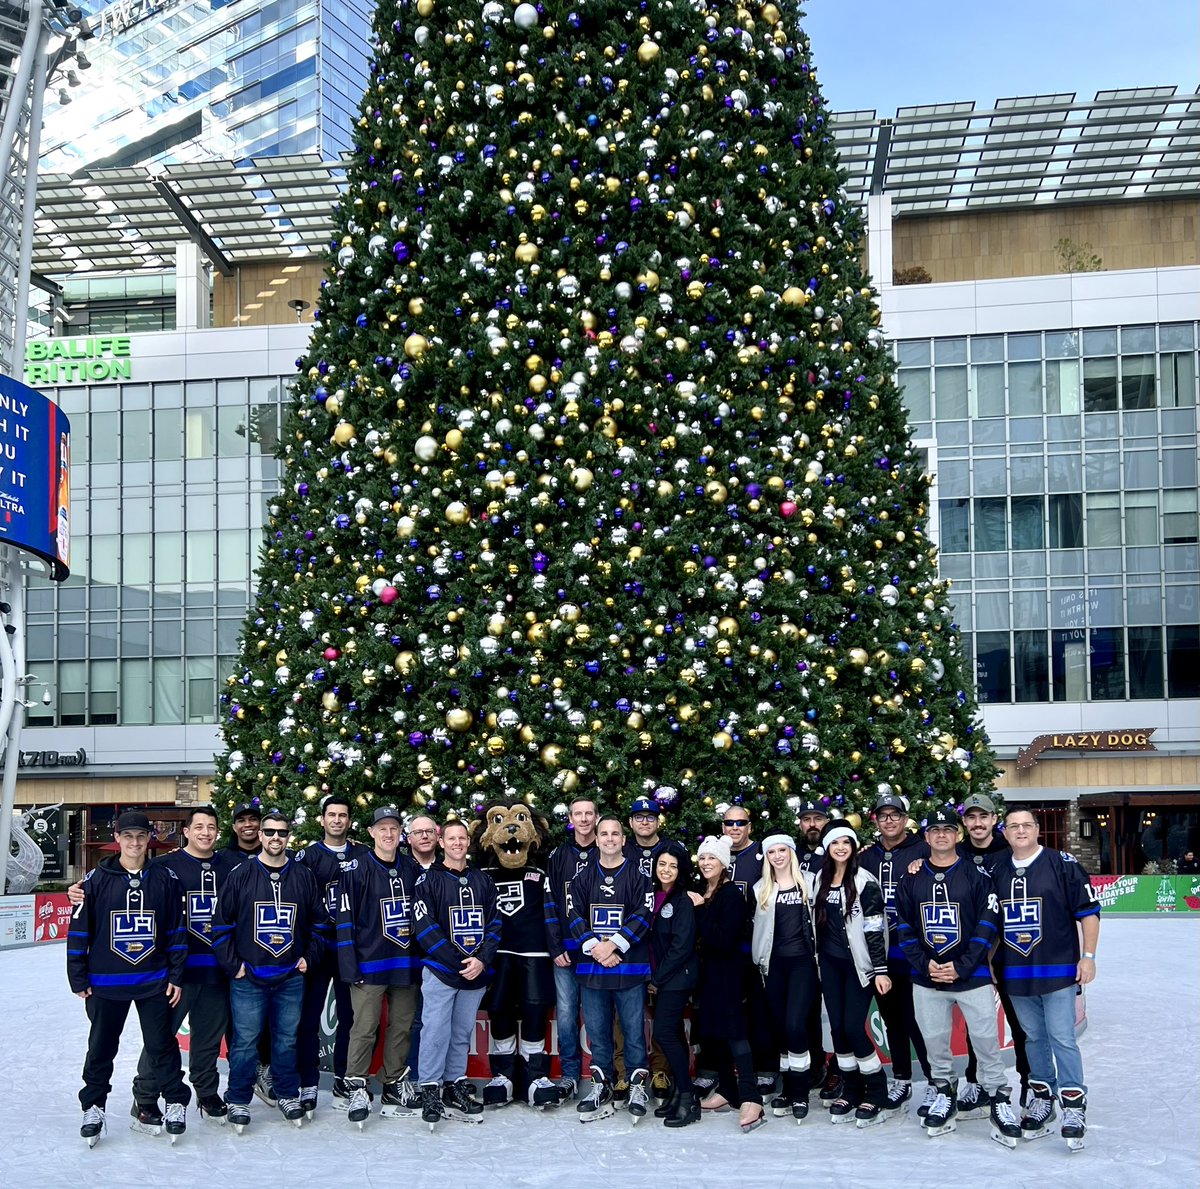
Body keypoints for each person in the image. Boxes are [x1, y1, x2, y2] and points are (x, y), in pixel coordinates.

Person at [67, 810, 191, 1146]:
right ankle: (93, 1106)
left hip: (153, 981)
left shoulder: (165, 879)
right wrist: (78, 979)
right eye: (128, 836)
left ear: (149, 839)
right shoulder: (94, 881)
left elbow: (176, 932)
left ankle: (176, 1101)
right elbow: (79, 931)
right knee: (101, 1047)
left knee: (161, 1045)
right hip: (106, 983)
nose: (134, 843)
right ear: (118, 839)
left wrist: (175, 976)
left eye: (140, 836)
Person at [894, 806, 1016, 1143]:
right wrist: (925, 964)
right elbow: (904, 925)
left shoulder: (978, 877)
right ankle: (944, 1092)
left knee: (986, 1042)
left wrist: (961, 965)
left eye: (948, 829)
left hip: (971, 977)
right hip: (927, 978)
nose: (942, 835)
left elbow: (988, 924)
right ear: (927, 836)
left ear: (958, 835)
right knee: (934, 1043)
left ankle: (998, 1098)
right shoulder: (911, 877)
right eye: (935, 830)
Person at [212, 808, 330, 1132]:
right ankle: (237, 1097)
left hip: (290, 976)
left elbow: (320, 924)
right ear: (260, 836)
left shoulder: (303, 876)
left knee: (286, 1040)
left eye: (282, 832)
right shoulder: (241, 874)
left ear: (288, 837)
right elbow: (220, 925)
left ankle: (288, 1093)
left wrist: (309, 957)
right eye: (270, 832)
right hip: (249, 977)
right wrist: (234, 966)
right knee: (245, 1041)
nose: (276, 838)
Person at [992, 806, 1101, 1150]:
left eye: (1026, 825)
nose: (1020, 831)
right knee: (1032, 1038)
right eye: (1013, 826)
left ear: (1037, 830)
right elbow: (990, 924)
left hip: (1057, 970)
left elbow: (1088, 914)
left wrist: (1089, 957)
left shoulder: (1063, 864)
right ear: (1005, 833)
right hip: (1016, 972)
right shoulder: (996, 870)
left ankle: (1073, 1104)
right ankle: (1042, 1096)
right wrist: (990, 963)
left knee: (1062, 1037)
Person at [132, 805, 240, 1125]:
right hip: (176, 973)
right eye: (199, 827)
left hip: (217, 972)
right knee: (161, 1038)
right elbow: (126, 883)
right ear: (187, 831)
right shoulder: (164, 866)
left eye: (211, 827)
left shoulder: (231, 866)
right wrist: (83, 890)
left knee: (207, 1039)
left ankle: (206, 1093)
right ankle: (145, 1097)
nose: (205, 832)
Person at [336, 805, 423, 1127]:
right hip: (369, 965)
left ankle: (392, 1082)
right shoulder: (355, 869)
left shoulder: (412, 869)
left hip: (406, 963)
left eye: (394, 828)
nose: (388, 834)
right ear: (371, 832)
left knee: (401, 1026)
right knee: (365, 1026)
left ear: (402, 833)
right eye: (382, 828)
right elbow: (344, 922)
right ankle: (356, 1083)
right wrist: (349, 966)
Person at [412, 820, 501, 1128]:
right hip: (442, 971)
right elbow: (424, 928)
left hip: (475, 972)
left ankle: (454, 1084)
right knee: (435, 1030)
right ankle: (431, 1089)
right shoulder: (428, 881)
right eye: (451, 838)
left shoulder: (482, 881)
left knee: (461, 1032)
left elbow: (495, 924)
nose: (458, 843)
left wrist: (481, 960)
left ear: (468, 842)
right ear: (441, 842)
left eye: (462, 838)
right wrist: (458, 961)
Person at [567, 815, 653, 1123]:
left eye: (615, 833)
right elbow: (573, 915)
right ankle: (601, 1087)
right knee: (598, 1033)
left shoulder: (639, 876)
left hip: (628, 969)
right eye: (604, 834)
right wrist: (597, 949)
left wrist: (614, 945)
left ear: (623, 838)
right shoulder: (582, 877)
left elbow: (644, 914)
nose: (609, 838)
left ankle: (636, 1086)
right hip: (593, 970)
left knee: (633, 1033)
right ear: (597, 839)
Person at [293, 794, 369, 1115]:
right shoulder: (307, 857)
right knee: (308, 1016)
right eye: (332, 815)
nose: (337, 820)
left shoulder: (364, 854)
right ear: (322, 820)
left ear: (349, 820)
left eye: (343, 815)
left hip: (350, 948)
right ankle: (309, 1081)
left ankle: (342, 1078)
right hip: (318, 946)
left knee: (350, 1019)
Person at [814, 819, 892, 1126]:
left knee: (853, 1027)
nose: (841, 847)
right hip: (830, 965)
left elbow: (875, 928)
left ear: (853, 846)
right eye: (835, 842)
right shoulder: (820, 878)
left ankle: (875, 1090)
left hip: (859, 966)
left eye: (846, 842)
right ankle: (852, 1087)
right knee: (837, 1030)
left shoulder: (864, 881)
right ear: (828, 848)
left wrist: (881, 970)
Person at [955, 792, 1029, 1115]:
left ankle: (1031, 1083)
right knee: (978, 1022)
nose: (977, 823)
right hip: (973, 952)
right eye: (971, 818)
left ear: (994, 819)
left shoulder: (1010, 851)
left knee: (1020, 1023)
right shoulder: (957, 854)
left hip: (1009, 951)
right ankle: (976, 1083)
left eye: (983, 817)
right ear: (964, 823)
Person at [859, 791, 932, 1116]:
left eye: (895, 815)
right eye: (883, 815)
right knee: (892, 1021)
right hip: (880, 954)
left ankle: (936, 1082)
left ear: (905, 819)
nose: (889, 820)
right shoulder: (866, 855)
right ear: (876, 820)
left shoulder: (923, 850)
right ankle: (901, 1078)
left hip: (913, 951)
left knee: (919, 1020)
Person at [688, 836, 763, 1129]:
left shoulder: (730, 895)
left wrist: (700, 909)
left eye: (713, 858)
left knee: (733, 1032)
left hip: (728, 973)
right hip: (708, 974)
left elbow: (722, 939)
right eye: (703, 858)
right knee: (715, 1032)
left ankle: (750, 1095)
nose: (706, 863)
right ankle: (729, 1090)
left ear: (724, 863)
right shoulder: (706, 891)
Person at [621, 796, 687, 1100]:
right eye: (639, 817)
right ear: (631, 822)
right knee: (627, 1012)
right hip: (632, 942)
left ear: (658, 821)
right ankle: (626, 1072)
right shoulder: (622, 848)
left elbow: (686, 883)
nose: (644, 822)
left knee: (663, 1016)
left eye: (650, 816)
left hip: (663, 942)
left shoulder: (673, 849)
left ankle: (661, 1071)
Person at [751, 834, 819, 1129]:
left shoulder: (812, 882)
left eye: (782, 850)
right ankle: (788, 1090)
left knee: (795, 1026)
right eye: (772, 852)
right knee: (781, 1030)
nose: (777, 856)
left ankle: (800, 1092)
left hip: (803, 963)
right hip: (773, 965)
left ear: (791, 852)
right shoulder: (761, 889)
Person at [721, 805, 777, 1099]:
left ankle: (766, 1070)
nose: (734, 827)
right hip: (723, 950)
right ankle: (721, 1072)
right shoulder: (713, 853)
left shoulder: (762, 855)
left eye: (740, 822)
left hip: (755, 945)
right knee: (726, 1012)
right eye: (729, 823)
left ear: (749, 826)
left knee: (760, 1012)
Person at [545, 796, 598, 1101]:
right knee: (566, 1013)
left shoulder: (608, 851)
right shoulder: (558, 855)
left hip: (597, 952)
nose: (584, 819)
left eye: (589, 813)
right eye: (578, 814)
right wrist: (554, 946)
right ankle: (569, 1075)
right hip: (565, 950)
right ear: (571, 818)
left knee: (595, 1013)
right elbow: (550, 903)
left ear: (596, 816)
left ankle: (602, 1074)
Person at [647, 849, 698, 1127]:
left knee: (665, 1033)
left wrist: (658, 979)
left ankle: (688, 1098)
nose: (666, 870)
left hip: (676, 977)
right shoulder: (650, 895)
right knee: (674, 1033)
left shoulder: (682, 900)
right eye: (662, 864)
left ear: (680, 871)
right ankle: (681, 1094)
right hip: (661, 977)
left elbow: (681, 946)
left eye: (673, 866)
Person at [401, 814, 440, 1080]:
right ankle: (415, 1076)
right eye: (418, 832)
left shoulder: (450, 866)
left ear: (438, 836)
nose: (424, 836)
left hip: (441, 956)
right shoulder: (401, 867)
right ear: (409, 838)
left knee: (438, 1021)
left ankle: (444, 1079)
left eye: (429, 831)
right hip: (407, 953)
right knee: (414, 1020)